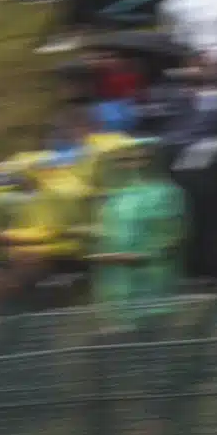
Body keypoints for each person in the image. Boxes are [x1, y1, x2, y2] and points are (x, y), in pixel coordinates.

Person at [89, 139, 186, 331]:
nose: (134, 164)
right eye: (126, 159)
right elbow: (105, 238)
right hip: (115, 296)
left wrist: (138, 257)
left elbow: (171, 238)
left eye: (142, 158)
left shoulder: (167, 194)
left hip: (153, 292)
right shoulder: (114, 199)